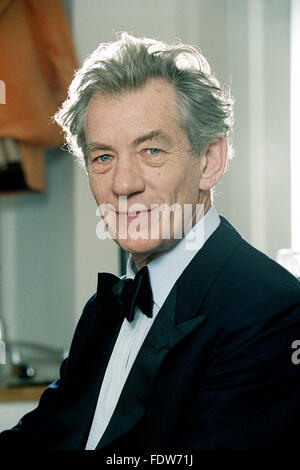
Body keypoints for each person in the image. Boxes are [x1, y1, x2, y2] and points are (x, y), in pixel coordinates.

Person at [1, 32, 300, 452]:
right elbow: (44, 435)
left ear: (210, 161)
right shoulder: (104, 308)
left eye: (152, 151)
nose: (123, 184)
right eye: (103, 157)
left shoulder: (274, 312)